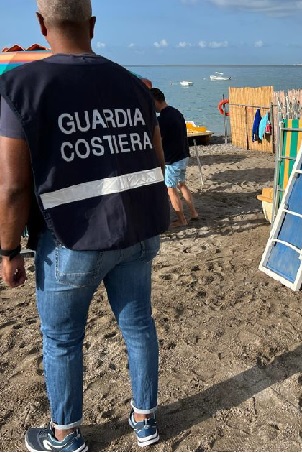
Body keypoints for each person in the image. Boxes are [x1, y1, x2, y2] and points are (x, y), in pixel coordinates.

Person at [0, 0, 170, 451]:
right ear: (92, 24)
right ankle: (146, 421)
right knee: (139, 327)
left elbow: (13, 188)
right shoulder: (133, 85)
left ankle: (66, 435)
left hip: (68, 239)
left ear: (41, 23)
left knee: (61, 341)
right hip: (136, 232)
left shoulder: (21, 86)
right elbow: (155, 162)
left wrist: (8, 251)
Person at [149, 87, 199, 227]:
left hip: (172, 159)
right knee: (181, 185)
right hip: (183, 155)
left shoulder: (163, 119)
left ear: (154, 101)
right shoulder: (176, 112)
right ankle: (194, 213)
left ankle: (182, 220)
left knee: (171, 189)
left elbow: (158, 140)